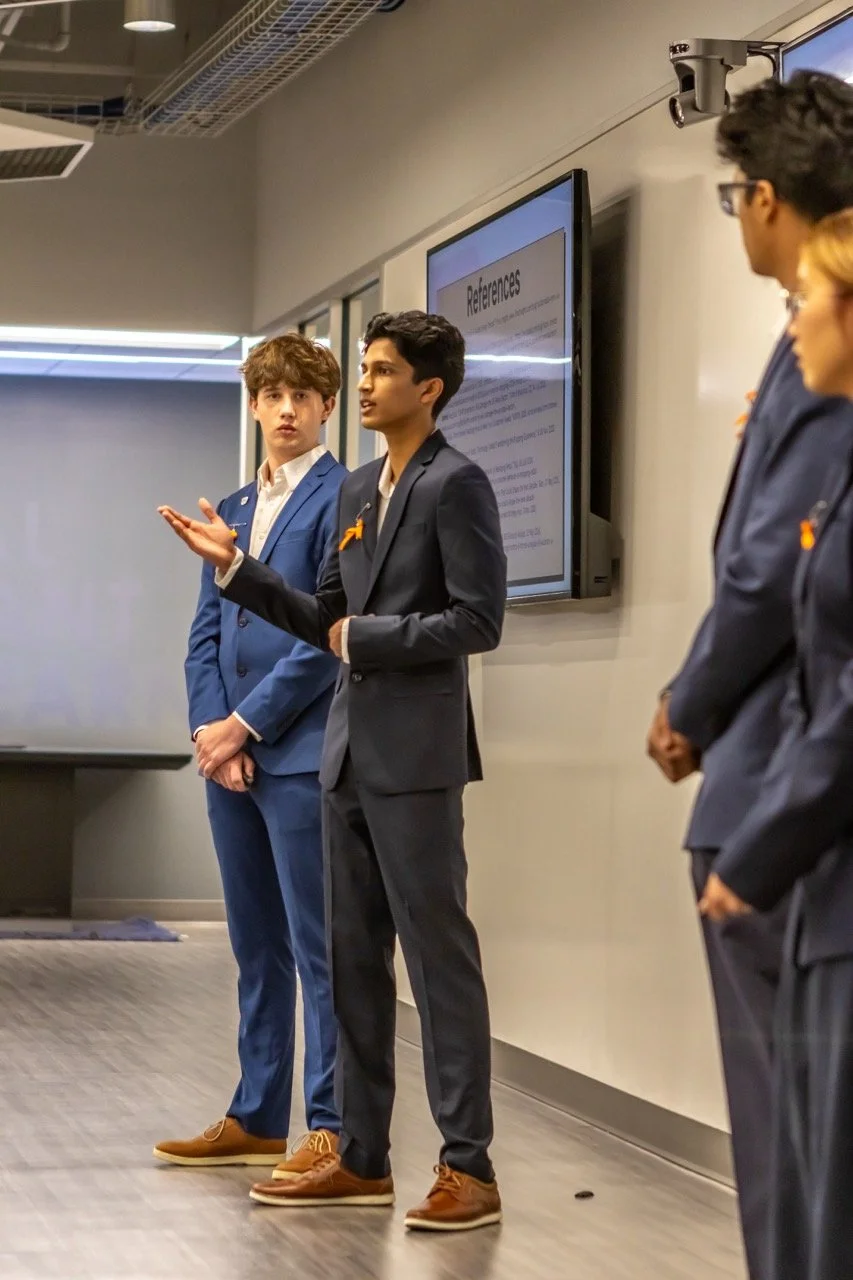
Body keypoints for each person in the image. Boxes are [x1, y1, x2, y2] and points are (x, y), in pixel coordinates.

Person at [159, 310, 506, 1233]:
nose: (364, 385)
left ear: (426, 389)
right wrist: (238, 571)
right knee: (351, 965)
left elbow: (478, 622)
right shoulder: (360, 490)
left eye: (381, 371)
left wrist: (373, 637)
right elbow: (323, 615)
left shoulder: (456, 484)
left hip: (418, 760)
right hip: (345, 759)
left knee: (437, 966)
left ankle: (466, 1168)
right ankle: (360, 1156)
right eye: (364, 369)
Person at [645, 71, 853, 1280]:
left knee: (798, 1147)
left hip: (793, 791)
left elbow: (775, 564)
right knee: (788, 1138)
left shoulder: (829, 338)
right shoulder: (800, 334)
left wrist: (689, 702)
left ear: (767, 198)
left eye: (734, 193)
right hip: (777, 779)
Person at [700, 208, 853, 1280]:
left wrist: (758, 849)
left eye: (809, 305)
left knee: (822, 1183)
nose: (791, 329)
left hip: (816, 851)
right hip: (808, 850)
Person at [154, 334, 347, 1178]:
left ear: (327, 408)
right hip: (227, 759)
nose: (285, 409)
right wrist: (209, 729)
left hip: (299, 752)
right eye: (271, 394)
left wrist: (248, 726)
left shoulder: (349, 498)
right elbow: (205, 634)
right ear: (253, 404)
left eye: (302, 396)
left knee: (320, 947)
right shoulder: (230, 506)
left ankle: (330, 1127)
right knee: (255, 944)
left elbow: (323, 637)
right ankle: (258, 1112)